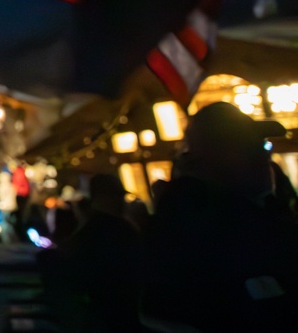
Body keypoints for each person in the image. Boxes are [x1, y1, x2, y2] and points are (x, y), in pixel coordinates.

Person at [140, 101, 298, 331]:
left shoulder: (252, 210)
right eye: (249, 146)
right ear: (211, 155)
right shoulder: (196, 225)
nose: (265, 157)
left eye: (264, 145)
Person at [39, 172, 144, 333]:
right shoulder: (117, 230)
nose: (122, 202)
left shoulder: (88, 230)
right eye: (117, 196)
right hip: (117, 316)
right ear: (105, 197)